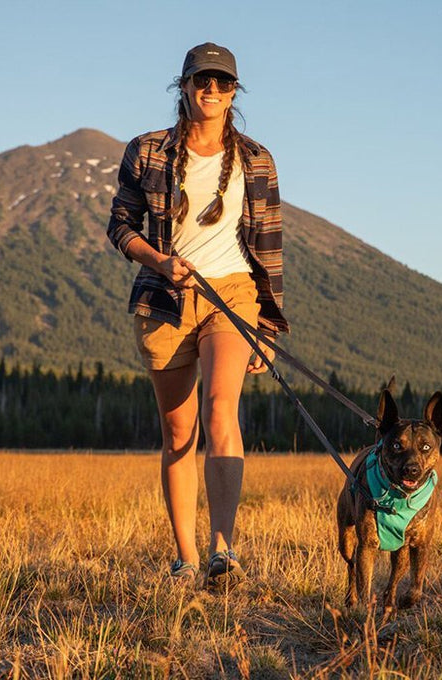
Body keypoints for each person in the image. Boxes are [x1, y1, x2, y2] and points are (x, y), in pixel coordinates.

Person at [106, 42, 287, 588]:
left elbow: (271, 246)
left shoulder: (256, 159)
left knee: (219, 410)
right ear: (182, 86)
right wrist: (160, 260)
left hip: (232, 293)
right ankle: (185, 559)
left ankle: (222, 551)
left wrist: (270, 326)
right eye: (201, 81)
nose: (211, 90)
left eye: (222, 83)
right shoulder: (146, 152)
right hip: (163, 299)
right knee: (178, 432)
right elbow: (120, 227)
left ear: (235, 92)